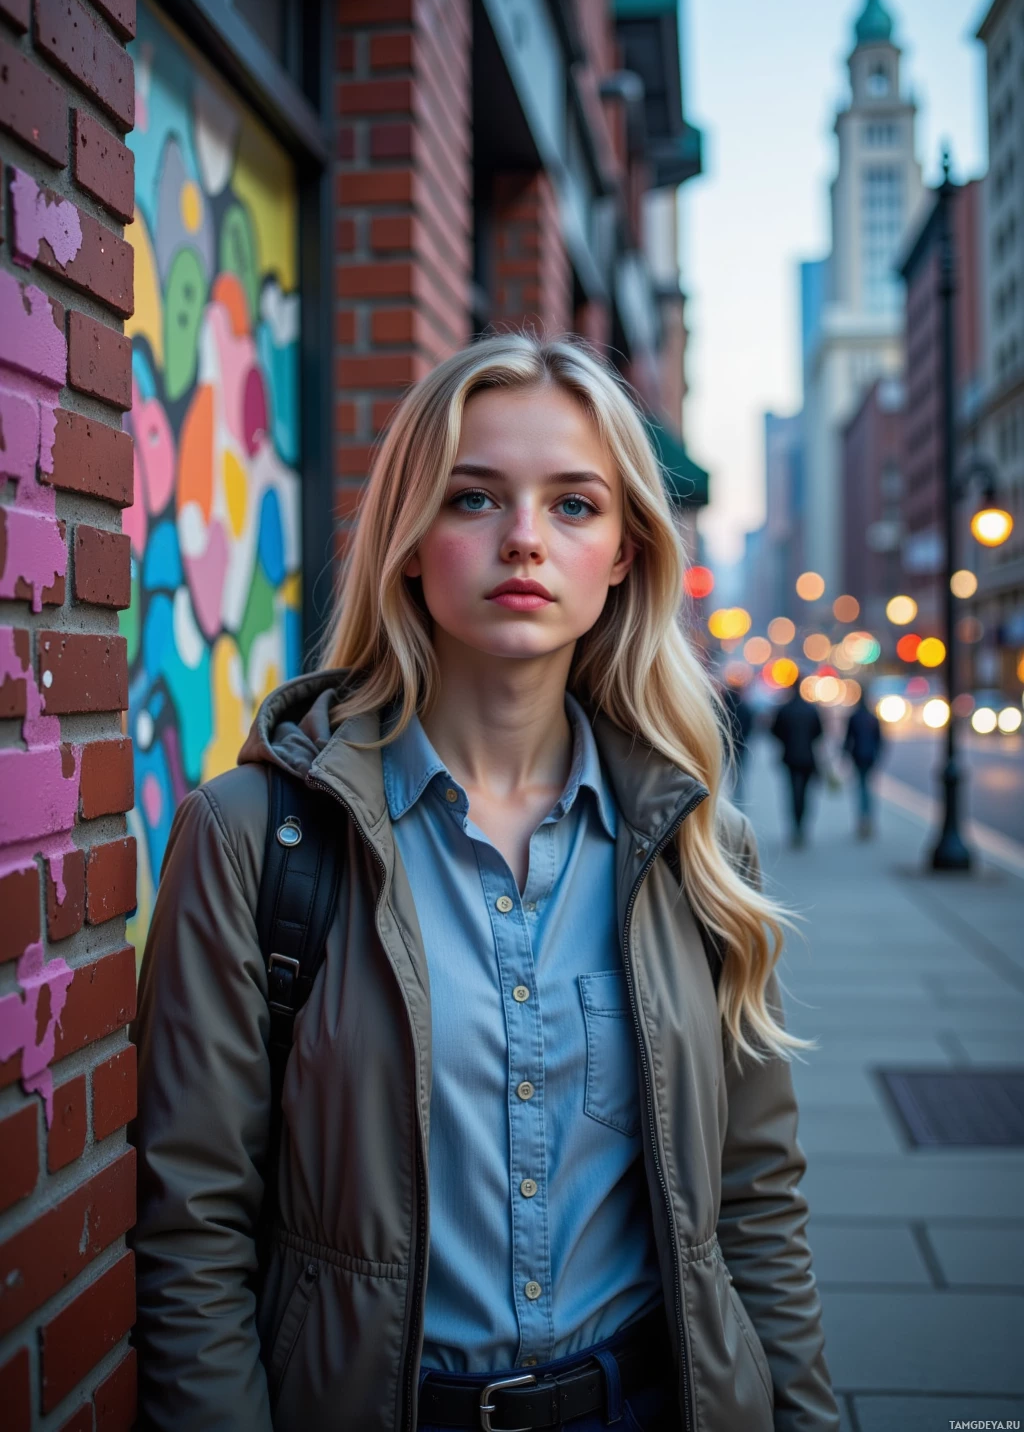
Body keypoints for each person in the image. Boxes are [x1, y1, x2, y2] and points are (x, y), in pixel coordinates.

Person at [132, 334, 840, 1432]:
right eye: (473, 499)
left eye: (573, 506)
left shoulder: (701, 849)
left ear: (623, 556)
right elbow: (192, 1230)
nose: (523, 539)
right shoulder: (252, 839)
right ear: (410, 542)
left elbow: (752, 1207)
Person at [769, 678, 824, 847]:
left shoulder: (785, 709)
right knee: (806, 794)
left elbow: (774, 730)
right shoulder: (810, 709)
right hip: (808, 758)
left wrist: (786, 742)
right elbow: (819, 732)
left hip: (790, 757)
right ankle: (802, 826)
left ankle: (795, 827)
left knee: (793, 792)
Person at [843, 693, 883, 839]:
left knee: (861, 787)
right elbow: (879, 739)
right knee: (867, 788)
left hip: (858, 756)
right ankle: (868, 819)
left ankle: (862, 819)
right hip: (869, 757)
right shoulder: (872, 717)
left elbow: (848, 739)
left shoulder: (854, 717)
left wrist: (844, 755)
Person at [720, 676, 754, 804]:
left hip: (724, 747)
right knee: (738, 775)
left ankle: (726, 800)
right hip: (740, 747)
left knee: (724, 774)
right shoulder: (745, 708)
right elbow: (749, 727)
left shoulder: (723, 708)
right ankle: (737, 801)